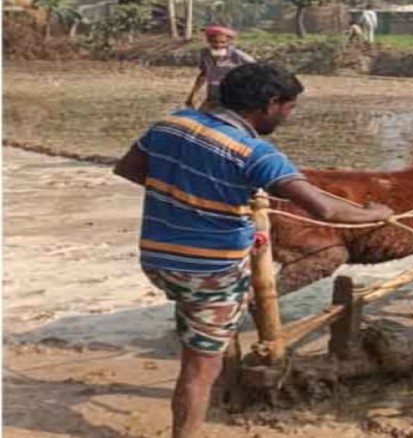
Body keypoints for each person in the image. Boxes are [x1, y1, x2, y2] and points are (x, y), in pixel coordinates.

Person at [113, 63, 393, 438]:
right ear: (271, 103)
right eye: (289, 109)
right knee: (199, 370)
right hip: (210, 270)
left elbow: (129, 169)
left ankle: (206, 333)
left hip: (158, 259)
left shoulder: (171, 124)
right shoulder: (256, 153)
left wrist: (188, 193)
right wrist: (373, 213)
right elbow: (324, 209)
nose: (288, 118)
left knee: (200, 316)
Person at [185, 25, 255, 111]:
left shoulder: (237, 55)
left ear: (228, 42)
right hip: (212, 95)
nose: (218, 45)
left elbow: (255, 70)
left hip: (231, 96)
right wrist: (193, 95)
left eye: (223, 42)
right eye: (215, 42)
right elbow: (203, 74)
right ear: (209, 41)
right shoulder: (205, 54)